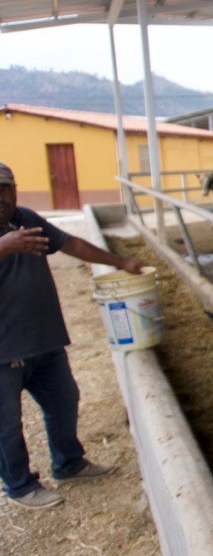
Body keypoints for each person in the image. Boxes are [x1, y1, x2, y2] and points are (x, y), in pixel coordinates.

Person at [0, 161, 145, 509]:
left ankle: (69, 463)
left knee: (65, 401)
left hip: (45, 341)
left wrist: (120, 262)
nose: (1, 197)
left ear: (14, 189)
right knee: (6, 426)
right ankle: (19, 487)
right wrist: (4, 246)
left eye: (4, 189)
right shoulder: (12, 236)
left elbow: (72, 245)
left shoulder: (27, 219)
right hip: (4, 354)